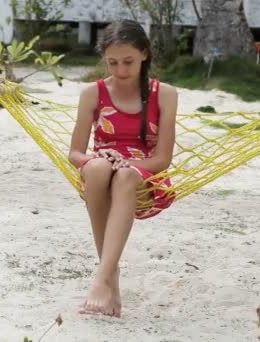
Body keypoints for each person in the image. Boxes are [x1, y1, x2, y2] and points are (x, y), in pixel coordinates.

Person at [68, 19, 178, 317]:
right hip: (102, 167)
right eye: (112, 62)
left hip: (144, 172)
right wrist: (98, 159)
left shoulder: (164, 94)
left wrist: (129, 162)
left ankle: (103, 279)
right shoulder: (93, 93)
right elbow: (75, 153)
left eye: (128, 61)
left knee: (125, 175)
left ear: (145, 53)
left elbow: (163, 158)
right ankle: (109, 278)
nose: (120, 70)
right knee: (96, 169)